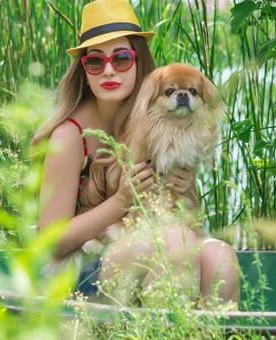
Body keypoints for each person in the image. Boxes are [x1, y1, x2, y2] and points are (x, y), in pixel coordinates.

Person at [32, 0, 240, 306]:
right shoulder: (70, 136)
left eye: (121, 59)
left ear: (139, 61)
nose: (107, 71)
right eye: (94, 62)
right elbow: (50, 244)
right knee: (173, 239)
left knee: (220, 256)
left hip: (152, 249)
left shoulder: (161, 118)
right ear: (84, 70)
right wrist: (120, 202)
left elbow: (186, 216)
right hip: (80, 273)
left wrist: (186, 188)